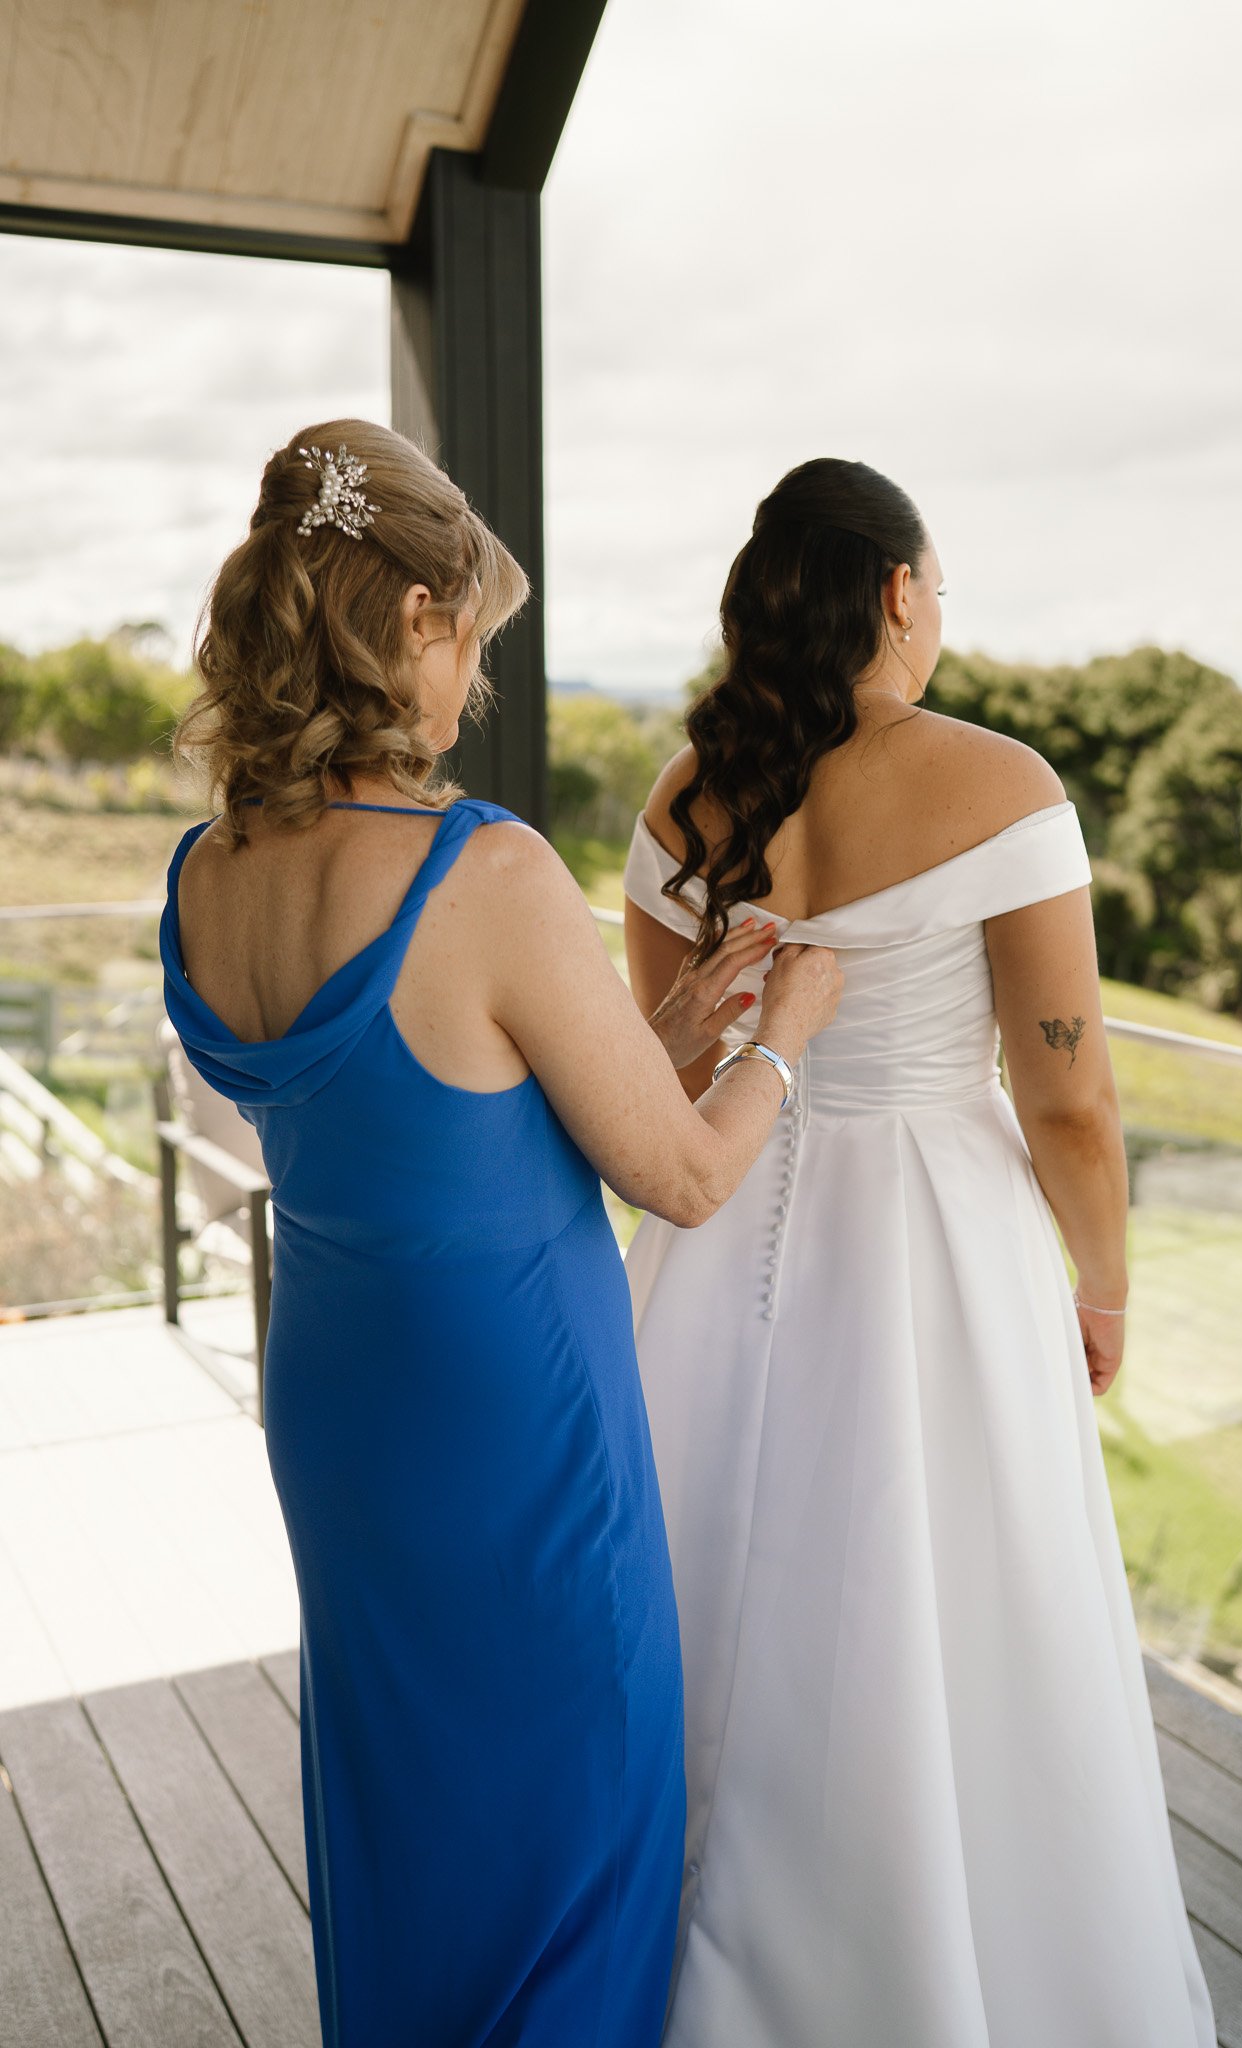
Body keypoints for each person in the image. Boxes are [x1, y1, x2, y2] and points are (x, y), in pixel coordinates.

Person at [159, 420, 841, 2048]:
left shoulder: (206, 872)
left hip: (341, 1399)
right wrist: (785, 1031)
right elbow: (676, 1177)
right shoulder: (485, 867)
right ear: (409, 624)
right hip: (511, 1419)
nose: (472, 687)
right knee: (574, 1819)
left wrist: (675, 1038)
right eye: (472, 643)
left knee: (408, 1803)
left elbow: (444, 1110)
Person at [621, 457, 1218, 2048]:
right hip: (940, 1252)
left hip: (718, 1231)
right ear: (895, 592)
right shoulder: (999, 784)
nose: (941, 618)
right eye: (938, 588)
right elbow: (1070, 1092)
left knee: (704, 1598)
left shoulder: (686, 794)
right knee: (950, 1612)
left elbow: (656, 1075)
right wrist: (1100, 1283)